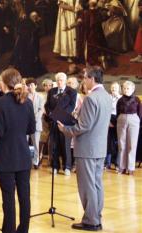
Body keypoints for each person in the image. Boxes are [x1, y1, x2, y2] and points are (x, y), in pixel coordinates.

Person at [0, 68, 35, 233]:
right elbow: (30, 128)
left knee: (8, 199)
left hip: (6, 157)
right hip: (24, 156)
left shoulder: (0, 103)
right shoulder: (28, 102)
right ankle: (23, 230)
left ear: (3, 83)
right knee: (25, 197)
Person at [57, 66, 111, 231]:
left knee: (87, 186)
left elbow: (83, 126)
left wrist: (64, 129)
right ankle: (96, 217)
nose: (83, 81)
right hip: (99, 148)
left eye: (85, 78)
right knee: (96, 185)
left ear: (92, 79)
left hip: (87, 148)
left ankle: (90, 221)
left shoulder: (90, 98)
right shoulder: (106, 96)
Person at [44, 72, 77, 175]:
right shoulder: (52, 91)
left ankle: (67, 167)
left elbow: (71, 106)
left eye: (61, 80)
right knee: (54, 144)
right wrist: (51, 114)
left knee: (65, 145)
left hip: (65, 122)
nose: (59, 82)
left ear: (65, 81)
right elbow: (47, 105)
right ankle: (55, 166)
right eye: (58, 80)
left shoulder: (71, 92)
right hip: (53, 121)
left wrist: (60, 115)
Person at [116, 81, 141, 175]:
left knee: (132, 144)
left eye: (128, 88)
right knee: (122, 144)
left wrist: (137, 121)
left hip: (134, 119)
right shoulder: (120, 100)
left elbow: (140, 112)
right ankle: (122, 167)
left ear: (133, 89)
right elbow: (118, 111)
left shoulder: (137, 99)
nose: (126, 90)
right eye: (124, 88)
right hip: (121, 118)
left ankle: (130, 168)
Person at [26, 78, 43, 169]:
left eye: (32, 85)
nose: (30, 87)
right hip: (25, 124)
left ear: (35, 86)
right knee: (24, 143)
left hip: (36, 123)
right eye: (28, 85)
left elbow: (41, 110)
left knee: (36, 143)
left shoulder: (40, 96)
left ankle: (36, 162)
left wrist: (34, 119)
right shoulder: (24, 96)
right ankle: (24, 161)